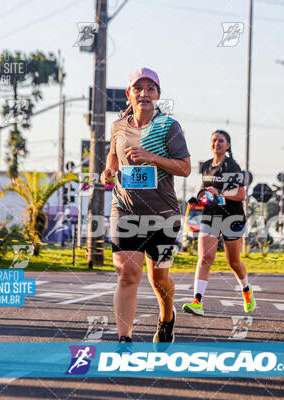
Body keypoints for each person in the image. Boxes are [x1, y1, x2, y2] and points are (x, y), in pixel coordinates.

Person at [101, 67, 191, 343]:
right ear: (129, 94)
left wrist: (150, 157)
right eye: (138, 89)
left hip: (162, 214)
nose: (144, 94)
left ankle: (167, 318)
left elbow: (185, 168)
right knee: (128, 274)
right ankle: (124, 339)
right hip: (125, 210)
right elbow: (113, 156)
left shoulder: (168, 127)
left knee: (159, 279)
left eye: (150, 88)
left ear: (158, 95)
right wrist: (109, 170)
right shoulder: (118, 126)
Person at [182, 130, 255, 317]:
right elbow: (203, 189)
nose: (217, 143)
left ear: (228, 145)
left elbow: (240, 194)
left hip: (232, 217)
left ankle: (246, 291)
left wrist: (219, 194)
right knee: (205, 258)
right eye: (214, 140)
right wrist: (198, 198)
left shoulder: (232, 166)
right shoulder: (206, 165)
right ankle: (197, 301)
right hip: (211, 215)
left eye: (221, 141)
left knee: (234, 262)